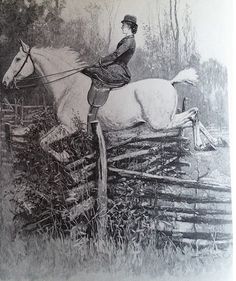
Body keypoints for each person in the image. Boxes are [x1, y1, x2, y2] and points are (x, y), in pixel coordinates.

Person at [82, 14, 138, 133]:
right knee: (89, 70)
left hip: (119, 70)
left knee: (95, 72)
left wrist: (101, 61)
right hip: (115, 67)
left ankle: (95, 110)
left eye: (124, 24)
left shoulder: (130, 41)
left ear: (129, 26)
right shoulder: (127, 40)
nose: (122, 26)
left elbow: (116, 55)